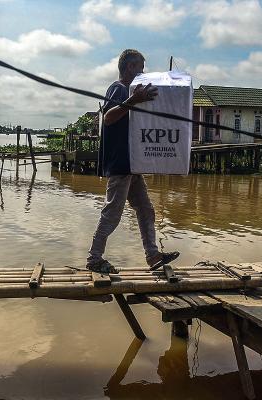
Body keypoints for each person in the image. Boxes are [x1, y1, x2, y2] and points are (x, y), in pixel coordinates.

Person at [87, 49, 179, 274]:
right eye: (140, 67)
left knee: (146, 209)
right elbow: (108, 117)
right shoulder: (118, 89)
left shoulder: (130, 93)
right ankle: (94, 259)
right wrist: (134, 99)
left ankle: (152, 255)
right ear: (129, 67)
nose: (143, 72)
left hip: (133, 163)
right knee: (113, 213)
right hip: (120, 163)